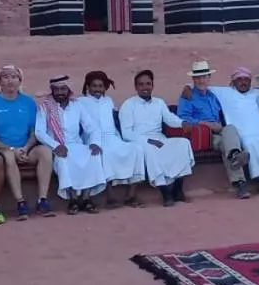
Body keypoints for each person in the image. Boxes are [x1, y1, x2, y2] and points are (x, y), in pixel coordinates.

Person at [0, 65, 55, 220]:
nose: (10, 81)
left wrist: (26, 148)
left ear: (20, 81)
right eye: (6, 77)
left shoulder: (28, 103)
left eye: (14, 77)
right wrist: (11, 149)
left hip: (26, 148)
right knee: (9, 157)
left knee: (46, 152)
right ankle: (20, 202)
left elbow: (34, 133)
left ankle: (42, 200)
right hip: (4, 149)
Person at [118, 69, 195, 206]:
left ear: (152, 85)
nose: (145, 87)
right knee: (151, 151)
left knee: (183, 144)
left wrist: (181, 123)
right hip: (140, 141)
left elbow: (169, 118)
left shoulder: (159, 103)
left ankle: (178, 189)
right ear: (136, 87)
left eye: (148, 84)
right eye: (141, 84)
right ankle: (165, 193)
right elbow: (127, 133)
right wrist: (148, 141)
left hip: (160, 138)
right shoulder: (128, 105)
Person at [35, 75, 106, 214]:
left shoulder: (77, 105)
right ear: (52, 90)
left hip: (77, 144)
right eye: (56, 89)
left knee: (93, 156)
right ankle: (73, 200)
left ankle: (86, 199)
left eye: (63, 89)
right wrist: (56, 146)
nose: (60, 92)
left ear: (68, 89)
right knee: (64, 159)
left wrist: (94, 143)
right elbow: (39, 132)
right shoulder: (45, 107)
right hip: (56, 146)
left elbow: (92, 127)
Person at [79, 69, 146, 207]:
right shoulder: (80, 102)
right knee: (105, 153)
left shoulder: (108, 101)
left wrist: (119, 139)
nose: (97, 89)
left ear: (105, 87)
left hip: (113, 137)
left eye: (100, 86)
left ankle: (131, 195)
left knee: (137, 149)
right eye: (94, 86)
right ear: (88, 87)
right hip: (93, 139)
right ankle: (110, 197)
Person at [176, 59, 247, 188]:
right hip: (205, 135)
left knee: (230, 131)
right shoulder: (188, 96)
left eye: (204, 77)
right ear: (193, 79)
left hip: (220, 132)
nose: (201, 80)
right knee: (227, 144)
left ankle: (235, 157)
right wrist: (206, 124)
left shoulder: (212, 96)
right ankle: (239, 181)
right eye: (198, 78)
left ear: (209, 78)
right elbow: (182, 118)